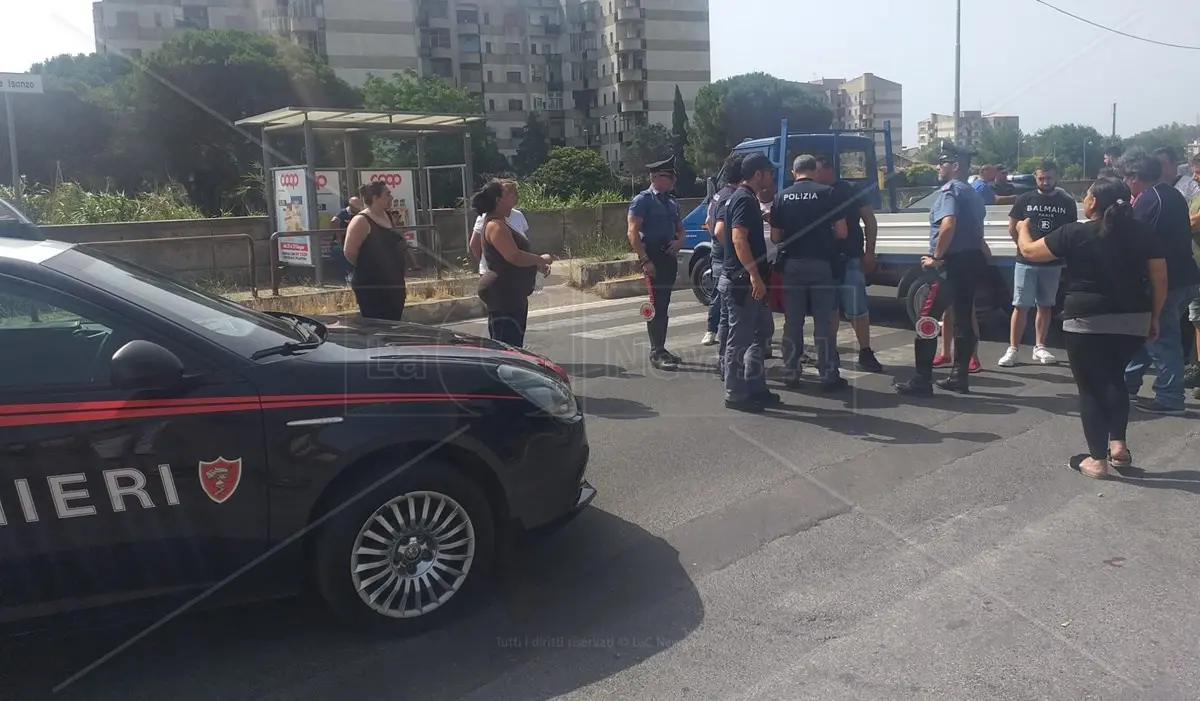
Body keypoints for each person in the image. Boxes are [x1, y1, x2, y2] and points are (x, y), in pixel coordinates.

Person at [1016, 177, 1166, 479]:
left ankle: (1097, 460)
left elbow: (1030, 252)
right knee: (1114, 380)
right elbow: (1159, 279)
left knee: (1091, 390)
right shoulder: (1142, 232)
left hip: (1087, 320)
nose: (1083, 199)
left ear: (1094, 201)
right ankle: (1119, 447)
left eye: (1086, 195)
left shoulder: (1076, 232)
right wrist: (1154, 316)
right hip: (1133, 317)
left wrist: (1022, 230)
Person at [894, 144, 989, 396]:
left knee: (927, 319)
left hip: (950, 264)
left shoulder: (950, 191)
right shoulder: (973, 193)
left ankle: (921, 380)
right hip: (971, 261)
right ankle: (959, 377)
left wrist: (936, 257)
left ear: (955, 166)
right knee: (962, 319)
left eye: (942, 162)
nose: (938, 167)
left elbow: (948, 224)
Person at [1118, 149, 1200, 414]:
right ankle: (1127, 382)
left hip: (1167, 281)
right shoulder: (1172, 193)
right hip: (1185, 276)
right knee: (1147, 334)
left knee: (1161, 339)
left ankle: (1169, 397)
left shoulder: (1148, 201)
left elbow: (1133, 242)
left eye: (1125, 178)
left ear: (1133, 177)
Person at [771, 154, 849, 392]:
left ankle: (792, 373)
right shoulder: (828, 193)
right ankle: (828, 375)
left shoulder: (782, 196)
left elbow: (775, 237)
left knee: (793, 321)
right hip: (821, 264)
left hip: (792, 265)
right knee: (823, 322)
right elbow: (842, 232)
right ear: (814, 171)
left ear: (794, 173)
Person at [999, 159, 1076, 367]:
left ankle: (1040, 347)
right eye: (1041, 178)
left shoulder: (1067, 202)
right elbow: (1013, 227)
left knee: (1045, 305)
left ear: (1057, 177)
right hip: (1026, 262)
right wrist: (1023, 247)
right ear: (1036, 178)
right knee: (1020, 305)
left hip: (1053, 263)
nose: (1045, 181)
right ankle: (1013, 349)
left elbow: (1070, 232)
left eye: (1049, 177)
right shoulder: (1024, 199)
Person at [721, 153, 781, 412]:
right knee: (741, 339)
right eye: (769, 172)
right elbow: (738, 239)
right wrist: (754, 276)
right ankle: (735, 394)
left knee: (761, 334)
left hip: (751, 281)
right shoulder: (744, 199)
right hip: (743, 282)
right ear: (758, 174)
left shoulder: (747, 199)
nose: (772, 176)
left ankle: (756, 387)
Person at [815, 156, 883, 373]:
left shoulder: (850, 189)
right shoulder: (816, 192)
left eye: (816, 170)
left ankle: (865, 351)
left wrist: (869, 253)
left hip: (851, 257)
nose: (813, 175)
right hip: (826, 260)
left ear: (828, 169)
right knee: (830, 309)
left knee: (858, 308)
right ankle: (831, 353)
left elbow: (869, 220)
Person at [474, 179, 552, 347]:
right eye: (508, 195)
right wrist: (540, 259)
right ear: (498, 201)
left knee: (512, 343)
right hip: (504, 294)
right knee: (506, 345)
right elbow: (513, 256)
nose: (513, 199)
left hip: (511, 293)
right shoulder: (495, 226)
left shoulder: (501, 223)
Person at [627, 155, 686, 371]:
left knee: (664, 303)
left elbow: (681, 229)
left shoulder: (670, 201)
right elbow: (632, 232)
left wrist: (679, 241)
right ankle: (656, 351)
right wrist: (645, 260)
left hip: (668, 257)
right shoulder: (643, 200)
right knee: (655, 304)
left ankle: (661, 346)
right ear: (656, 177)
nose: (673, 180)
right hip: (652, 257)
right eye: (669, 176)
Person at [343, 183, 408, 321]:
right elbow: (349, 252)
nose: (391, 197)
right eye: (387, 194)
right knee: (376, 325)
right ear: (375, 197)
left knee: (394, 324)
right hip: (372, 286)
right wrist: (370, 267)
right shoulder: (361, 220)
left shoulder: (388, 216)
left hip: (394, 283)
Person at [701, 153, 746, 350]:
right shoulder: (732, 197)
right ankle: (716, 333)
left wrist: (715, 239)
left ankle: (712, 330)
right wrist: (733, 245)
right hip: (725, 255)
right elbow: (719, 230)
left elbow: (709, 223)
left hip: (717, 253)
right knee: (724, 298)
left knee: (717, 295)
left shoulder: (718, 194)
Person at [470, 180, 528, 275]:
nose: (514, 197)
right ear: (498, 199)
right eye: (508, 194)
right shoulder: (491, 222)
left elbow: (522, 246)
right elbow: (474, 244)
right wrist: (487, 262)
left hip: (515, 273)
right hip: (495, 275)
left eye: (514, 194)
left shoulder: (518, 215)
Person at [757, 180, 779, 359]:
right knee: (762, 306)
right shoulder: (750, 202)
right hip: (760, 264)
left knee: (789, 307)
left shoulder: (781, 202)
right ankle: (764, 344)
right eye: (763, 185)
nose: (766, 186)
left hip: (779, 261)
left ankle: (796, 349)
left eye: (769, 184)